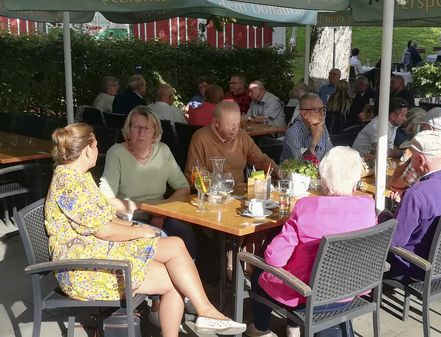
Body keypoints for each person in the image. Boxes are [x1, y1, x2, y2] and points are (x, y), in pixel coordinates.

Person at [45, 123, 246, 337]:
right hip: (83, 269)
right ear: (86, 150)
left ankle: (206, 311)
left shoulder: (79, 175)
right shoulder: (68, 182)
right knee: (174, 280)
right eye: (95, 146)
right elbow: (102, 229)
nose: (98, 150)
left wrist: (133, 226)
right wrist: (138, 232)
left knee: (176, 246)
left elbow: (102, 217)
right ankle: (204, 313)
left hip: (98, 250)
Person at [245, 146, 377, 337]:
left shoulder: (307, 207)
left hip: (310, 296)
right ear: (356, 179)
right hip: (352, 290)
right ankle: (293, 327)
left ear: (323, 179)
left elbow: (274, 259)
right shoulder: (367, 205)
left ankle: (260, 329)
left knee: (261, 272)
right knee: (298, 264)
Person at [99, 106, 197, 260]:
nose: (141, 132)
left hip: (161, 214)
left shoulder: (163, 151)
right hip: (129, 217)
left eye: (146, 128)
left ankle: (189, 269)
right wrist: (145, 207)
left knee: (183, 230)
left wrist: (161, 213)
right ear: (128, 130)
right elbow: (105, 199)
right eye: (136, 127)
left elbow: (183, 188)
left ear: (155, 132)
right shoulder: (116, 152)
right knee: (160, 240)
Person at [385, 130, 441, 281]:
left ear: (420, 160)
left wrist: (384, 216)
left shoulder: (416, 194)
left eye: (411, 157)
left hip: (417, 266)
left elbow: (394, 242)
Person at [185, 101, 279, 185]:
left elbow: (261, 160)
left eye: (238, 124)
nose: (235, 128)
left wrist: (280, 172)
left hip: (240, 194)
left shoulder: (241, 136)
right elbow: (192, 177)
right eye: (230, 124)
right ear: (216, 122)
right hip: (213, 195)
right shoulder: (200, 138)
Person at [281, 93, 333, 163]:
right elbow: (303, 166)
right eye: (317, 110)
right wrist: (314, 141)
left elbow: (331, 154)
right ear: (304, 114)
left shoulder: (321, 126)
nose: (322, 113)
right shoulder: (293, 133)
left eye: (323, 109)